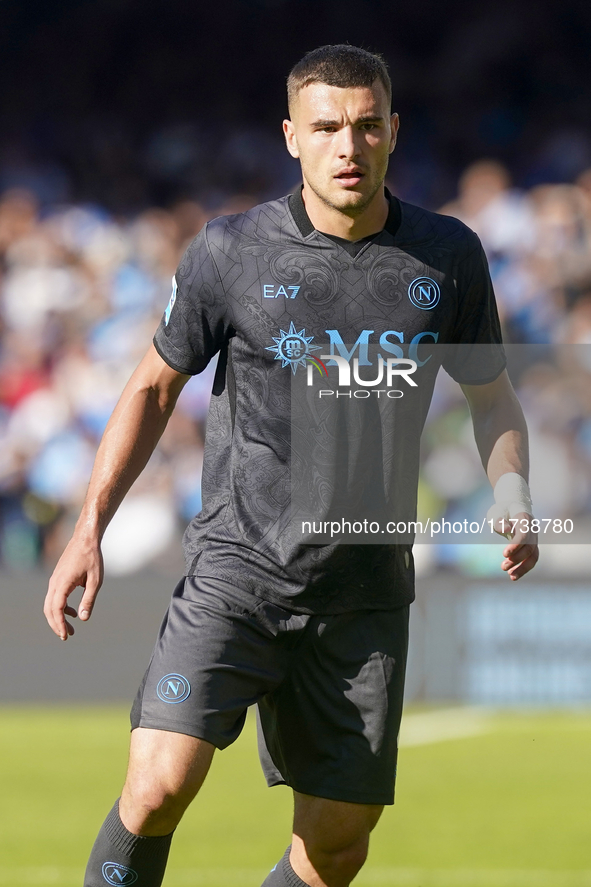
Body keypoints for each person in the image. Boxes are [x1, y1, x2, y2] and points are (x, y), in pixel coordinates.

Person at [44, 44, 539, 887]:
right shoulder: (229, 252)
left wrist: (513, 491)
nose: (347, 146)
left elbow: (490, 396)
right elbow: (154, 387)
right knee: (158, 784)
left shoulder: (448, 255)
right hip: (239, 569)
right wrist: (89, 526)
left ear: (392, 131)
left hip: (365, 593)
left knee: (335, 846)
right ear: (290, 137)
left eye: (365, 125)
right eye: (326, 128)